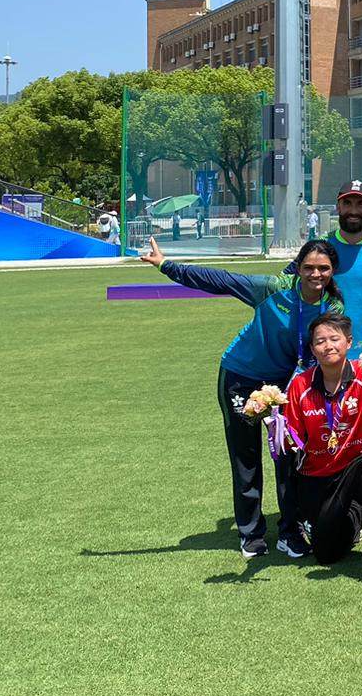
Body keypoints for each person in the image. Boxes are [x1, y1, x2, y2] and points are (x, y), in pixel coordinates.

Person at [140, 236, 343, 558]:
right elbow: (222, 281)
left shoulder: (332, 307)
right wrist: (167, 266)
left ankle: (289, 532)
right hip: (241, 377)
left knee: (289, 456)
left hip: (284, 386)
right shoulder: (271, 290)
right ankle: (250, 533)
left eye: (323, 269)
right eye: (308, 267)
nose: (315, 275)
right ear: (298, 269)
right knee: (246, 456)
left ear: (333, 271)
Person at [280, 312, 362, 592]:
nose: (328, 345)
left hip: (356, 463)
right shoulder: (300, 385)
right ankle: (355, 518)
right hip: (317, 473)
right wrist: (273, 422)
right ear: (312, 348)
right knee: (326, 555)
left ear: (348, 342)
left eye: (335, 338)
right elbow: (292, 439)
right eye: (320, 341)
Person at [287, 179, 362, 360]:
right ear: (338, 207)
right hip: (322, 353)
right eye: (347, 203)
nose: (353, 210)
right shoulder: (319, 247)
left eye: (361, 204)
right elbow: (286, 285)